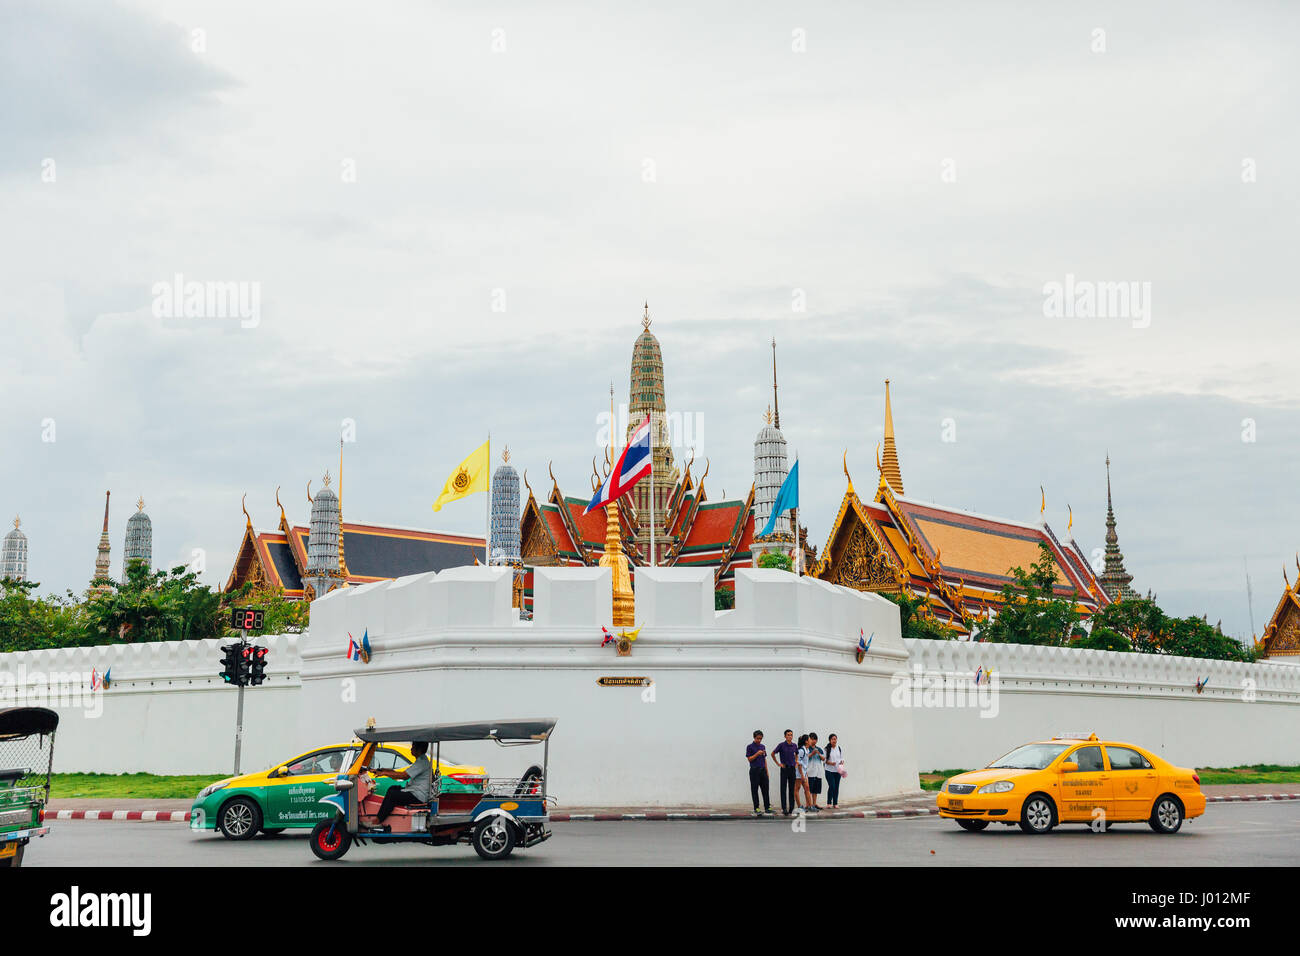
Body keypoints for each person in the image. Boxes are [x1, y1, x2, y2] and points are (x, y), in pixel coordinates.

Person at [370, 741, 433, 823]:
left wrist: (384, 773)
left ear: (419, 749)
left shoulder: (421, 762)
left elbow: (404, 776)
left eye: (413, 747)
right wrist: (383, 770)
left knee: (392, 795)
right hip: (416, 792)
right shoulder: (421, 760)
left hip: (418, 796)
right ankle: (384, 816)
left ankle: (378, 820)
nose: (411, 749)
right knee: (393, 788)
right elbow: (402, 773)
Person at [770, 729, 799, 816]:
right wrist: (778, 763)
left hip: (792, 769)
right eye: (788, 735)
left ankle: (791, 808)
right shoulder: (781, 745)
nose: (790, 736)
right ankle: (784, 808)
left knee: (791, 789)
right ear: (785, 736)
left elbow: (796, 754)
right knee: (783, 789)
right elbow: (772, 753)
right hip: (784, 769)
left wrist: (796, 762)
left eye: (791, 735)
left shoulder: (794, 745)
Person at [745, 730, 771, 816]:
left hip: (762, 770)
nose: (759, 740)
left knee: (765, 789)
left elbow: (764, 759)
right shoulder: (750, 747)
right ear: (754, 737)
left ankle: (767, 807)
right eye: (757, 738)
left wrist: (767, 771)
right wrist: (757, 754)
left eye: (760, 738)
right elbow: (749, 759)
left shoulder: (763, 746)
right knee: (755, 789)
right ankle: (756, 807)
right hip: (754, 770)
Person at [805, 732, 825, 812]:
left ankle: (814, 803)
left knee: (816, 790)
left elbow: (824, 759)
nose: (813, 741)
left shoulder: (819, 749)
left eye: (814, 739)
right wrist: (812, 753)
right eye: (811, 739)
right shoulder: (807, 748)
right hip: (810, 772)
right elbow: (805, 758)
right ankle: (808, 804)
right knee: (809, 789)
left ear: (816, 740)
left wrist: (819, 754)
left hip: (818, 772)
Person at [824, 733, 843, 808]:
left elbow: (842, 757)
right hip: (829, 770)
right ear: (829, 740)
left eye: (835, 739)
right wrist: (830, 763)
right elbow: (824, 760)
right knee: (832, 786)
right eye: (832, 739)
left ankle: (835, 803)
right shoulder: (826, 749)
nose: (834, 740)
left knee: (836, 787)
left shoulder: (839, 748)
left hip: (838, 770)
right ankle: (829, 803)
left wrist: (842, 761)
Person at [795, 734, 812, 812]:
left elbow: (805, 763)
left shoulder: (807, 750)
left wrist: (805, 774)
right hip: (799, 773)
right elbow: (798, 762)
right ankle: (799, 807)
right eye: (810, 739)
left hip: (804, 773)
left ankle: (809, 806)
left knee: (807, 788)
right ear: (806, 741)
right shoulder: (801, 750)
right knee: (797, 789)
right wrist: (802, 775)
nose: (811, 741)